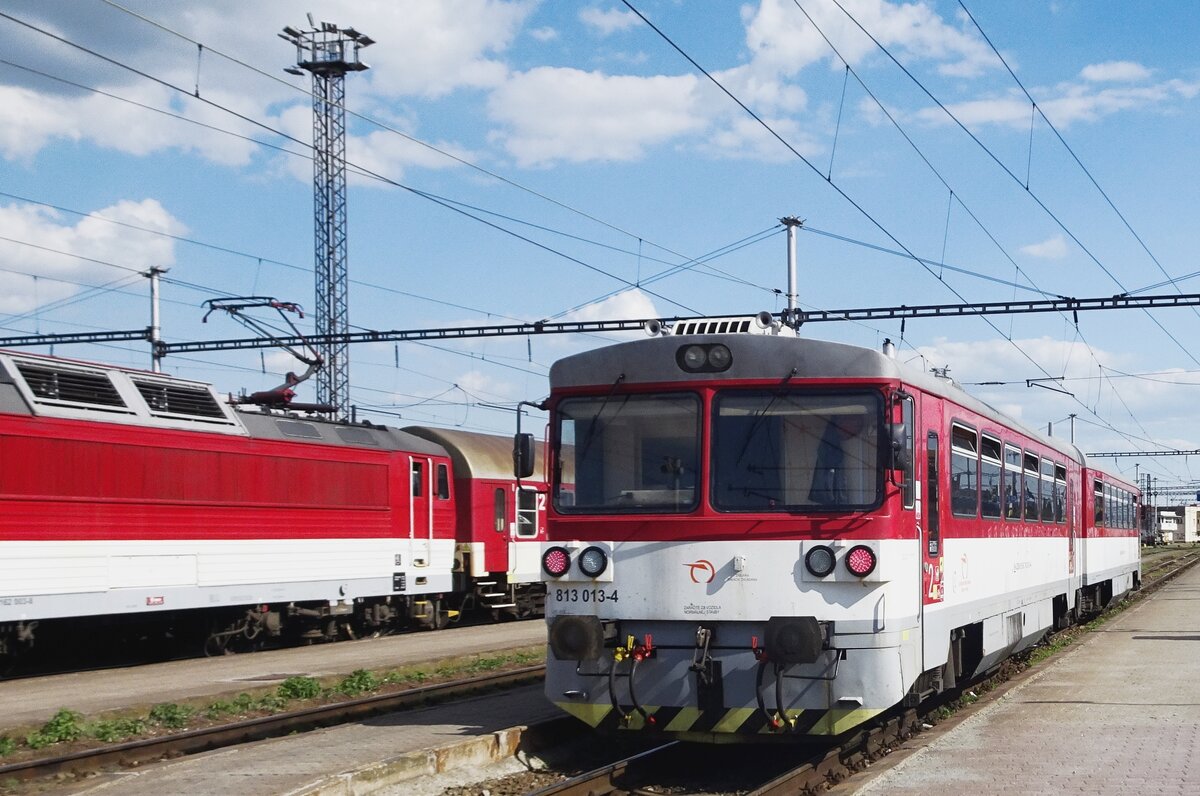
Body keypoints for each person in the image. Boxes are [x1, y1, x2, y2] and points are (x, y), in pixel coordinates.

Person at [809, 412, 864, 505]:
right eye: (850, 422)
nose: (852, 426)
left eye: (856, 424)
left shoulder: (860, 446)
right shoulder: (829, 445)